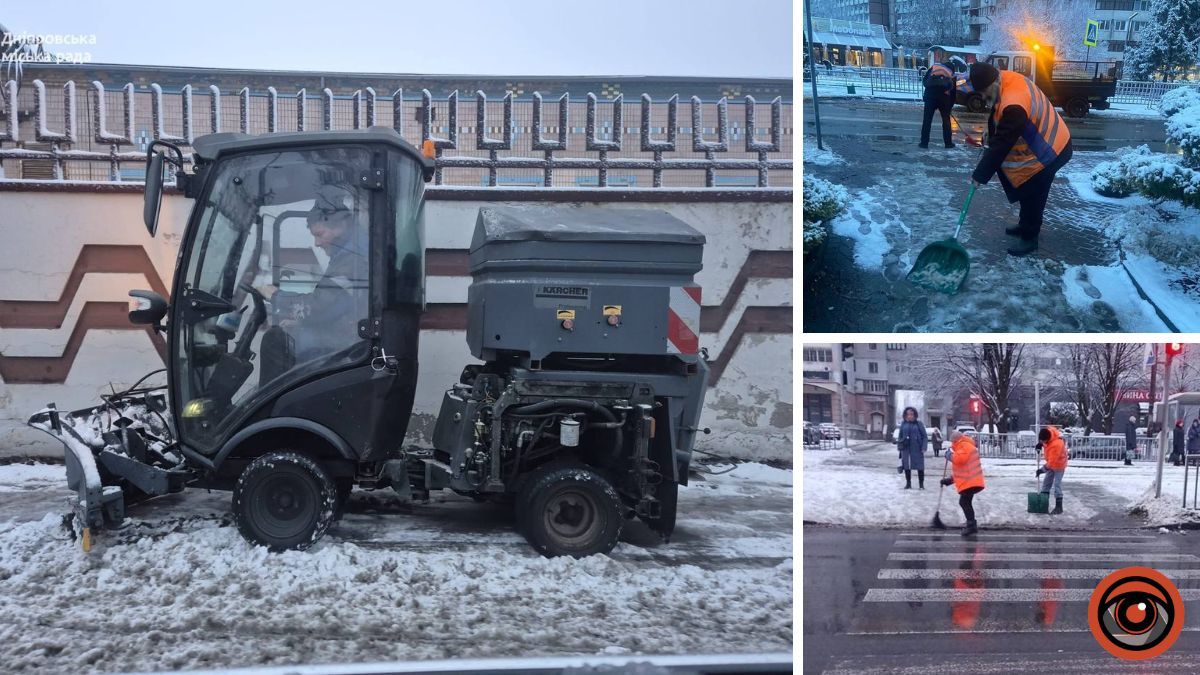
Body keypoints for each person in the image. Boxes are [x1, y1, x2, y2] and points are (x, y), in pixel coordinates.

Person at [260, 185, 369, 380]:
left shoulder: (353, 259)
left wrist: (276, 296)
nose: (317, 244)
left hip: (350, 344)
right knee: (286, 333)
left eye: (319, 234)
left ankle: (270, 408)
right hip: (347, 335)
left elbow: (318, 308)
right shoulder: (347, 253)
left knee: (275, 340)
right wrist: (300, 322)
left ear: (341, 226)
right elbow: (333, 306)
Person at [967, 62, 1074, 257]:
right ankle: (1025, 225)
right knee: (1026, 187)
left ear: (993, 83)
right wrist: (989, 134)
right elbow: (997, 117)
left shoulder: (1014, 103)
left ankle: (1030, 237)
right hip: (1044, 141)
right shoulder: (1004, 79)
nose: (982, 97)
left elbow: (1002, 144)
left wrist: (980, 175)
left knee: (1034, 190)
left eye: (984, 92)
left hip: (1053, 149)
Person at [942, 430, 985, 536]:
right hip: (971, 481)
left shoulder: (964, 445)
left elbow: (959, 459)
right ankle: (971, 523)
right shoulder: (965, 445)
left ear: (955, 440)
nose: (952, 445)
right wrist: (950, 480)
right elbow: (964, 470)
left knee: (964, 502)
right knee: (966, 502)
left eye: (952, 442)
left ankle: (971, 526)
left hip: (971, 482)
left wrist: (949, 456)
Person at [919, 62, 956, 149]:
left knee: (927, 120)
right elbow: (953, 92)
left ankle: (924, 143)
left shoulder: (934, 68)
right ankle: (948, 143)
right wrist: (949, 106)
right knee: (946, 121)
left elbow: (925, 82)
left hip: (930, 96)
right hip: (944, 98)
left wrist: (928, 93)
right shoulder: (950, 73)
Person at [1035, 425, 1068, 515]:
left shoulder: (1056, 445)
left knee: (1057, 485)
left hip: (1059, 464)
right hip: (1051, 463)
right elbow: (1046, 438)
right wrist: (1040, 444)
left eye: (1043, 441)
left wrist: (1042, 470)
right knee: (1046, 484)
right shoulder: (1049, 432)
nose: (1042, 442)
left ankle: (1059, 507)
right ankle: (1043, 505)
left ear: (1047, 439)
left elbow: (1051, 463)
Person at [897, 406, 928, 489]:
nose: (910, 416)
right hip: (906, 449)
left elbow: (924, 436)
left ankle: (921, 485)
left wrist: (924, 447)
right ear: (905, 415)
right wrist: (900, 446)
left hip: (917, 449)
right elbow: (900, 436)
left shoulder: (919, 424)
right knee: (907, 466)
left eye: (911, 414)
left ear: (914, 415)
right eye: (908, 414)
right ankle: (908, 484)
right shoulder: (903, 424)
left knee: (920, 466)